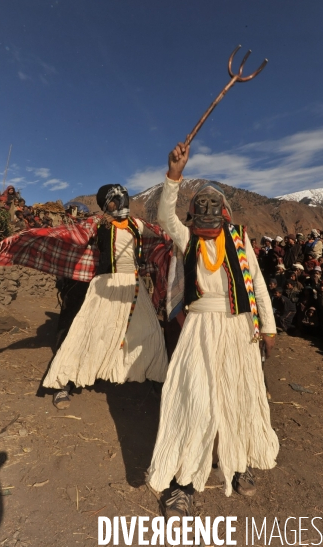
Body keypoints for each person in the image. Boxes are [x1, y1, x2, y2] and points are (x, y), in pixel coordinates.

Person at [147, 142, 278, 518]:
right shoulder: (186, 239)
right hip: (200, 329)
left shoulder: (239, 241)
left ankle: (236, 464)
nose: (206, 213)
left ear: (224, 213)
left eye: (213, 208)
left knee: (237, 396)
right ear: (192, 214)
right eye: (199, 208)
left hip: (238, 329)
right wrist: (174, 174)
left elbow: (256, 283)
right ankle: (184, 483)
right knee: (196, 399)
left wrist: (267, 328)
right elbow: (165, 216)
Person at [42, 183, 169, 407]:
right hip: (104, 286)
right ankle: (63, 383)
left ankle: (160, 382)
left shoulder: (137, 224)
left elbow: (162, 237)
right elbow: (75, 237)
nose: (122, 203)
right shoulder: (97, 223)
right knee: (87, 333)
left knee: (150, 333)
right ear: (107, 203)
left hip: (133, 286)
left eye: (124, 198)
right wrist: (96, 224)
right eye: (116, 199)